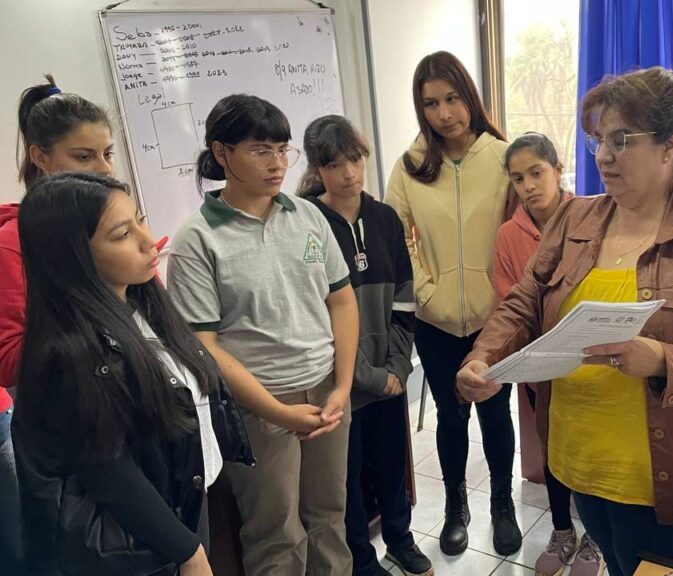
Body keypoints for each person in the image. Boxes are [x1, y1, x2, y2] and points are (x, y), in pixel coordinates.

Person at [456, 67, 673, 576]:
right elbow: (524, 301)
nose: (603, 155)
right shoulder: (574, 219)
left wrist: (664, 360)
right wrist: (483, 356)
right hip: (579, 459)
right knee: (614, 561)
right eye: (598, 140)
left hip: (666, 480)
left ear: (670, 146)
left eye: (621, 139)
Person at [13, 172, 252, 576]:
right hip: (137, 542)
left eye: (140, 220)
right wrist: (187, 551)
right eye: (123, 234)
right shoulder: (70, 352)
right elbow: (108, 471)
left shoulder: (143, 304)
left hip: (183, 504)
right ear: (74, 255)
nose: (148, 240)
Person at [167, 94, 359, 576]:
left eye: (282, 150)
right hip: (258, 407)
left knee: (329, 517)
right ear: (222, 152)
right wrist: (277, 411)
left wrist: (342, 385)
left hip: (327, 391)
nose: (277, 164)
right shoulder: (198, 239)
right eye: (260, 150)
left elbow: (341, 300)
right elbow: (204, 347)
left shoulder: (307, 216)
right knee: (276, 535)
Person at [384, 50, 521, 556]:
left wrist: (510, 296)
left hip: (495, 320)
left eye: (452, 98)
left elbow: (526, 229)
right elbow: (396, 235)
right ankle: (455, 506)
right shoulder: (411, 165)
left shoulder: (503, 157)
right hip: (436, 320)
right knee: (451, 414)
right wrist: (425, 290)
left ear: (470, 97)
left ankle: (502, 504)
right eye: (431, 103)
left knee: (496, 414)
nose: (444, 113)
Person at [298, 114, 432, 576]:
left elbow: (405, 299)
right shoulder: (307, 223)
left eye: (354, 160)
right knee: (347, 479)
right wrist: (365, 376)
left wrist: (397, 367)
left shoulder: (385, 218)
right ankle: (360, 557)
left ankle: (400, 540)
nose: (349, 173)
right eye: (334, 164)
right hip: (339, 386)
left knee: (392, 466)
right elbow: (316, 317)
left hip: (387, 377)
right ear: (318, 169)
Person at [0, 75, 116, 576]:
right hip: (66, 433)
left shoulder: (109, 225)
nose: (104, 169)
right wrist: (92, 312)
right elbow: (8, 359)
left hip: (124, 418)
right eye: (84, 156)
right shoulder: (14, 243)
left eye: (107, 154)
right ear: (40, 158)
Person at [492, 132, 604, 576]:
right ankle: (562, 531)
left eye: (536, 172)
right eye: (518, 178)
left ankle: (595, 537)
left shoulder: (592, 218)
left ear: (558, 169)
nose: (528, 186)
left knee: (593, 451)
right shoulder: (509, 235)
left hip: (592, 362)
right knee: (553, 449)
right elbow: (511, 301)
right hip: (541, 364)